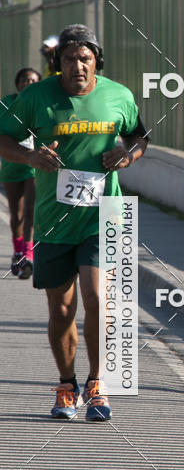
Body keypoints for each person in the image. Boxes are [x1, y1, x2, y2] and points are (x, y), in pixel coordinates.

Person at [0, 24, 148, 421]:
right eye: (69, 58)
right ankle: (67, 384)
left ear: (96, 61)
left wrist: (127, 156)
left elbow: (138, 136)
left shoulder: (118, 95)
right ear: (57, 63)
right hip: (53, 220)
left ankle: (98, 383)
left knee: (99, 299)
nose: (77, 66)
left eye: (85, 58)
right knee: (61, 310)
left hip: (106, 215)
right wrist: (30, 158)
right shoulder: (36, 98)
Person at [1, 67, 41, 278]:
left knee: (30, 212)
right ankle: (17, 251)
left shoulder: (43, 105)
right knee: (16, 215)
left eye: (33, 81)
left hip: (32, 167)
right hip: (10, 167)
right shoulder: (6, 104)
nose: (29, 83)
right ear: (18, 84)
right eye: (25, 80)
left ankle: (28, 254)